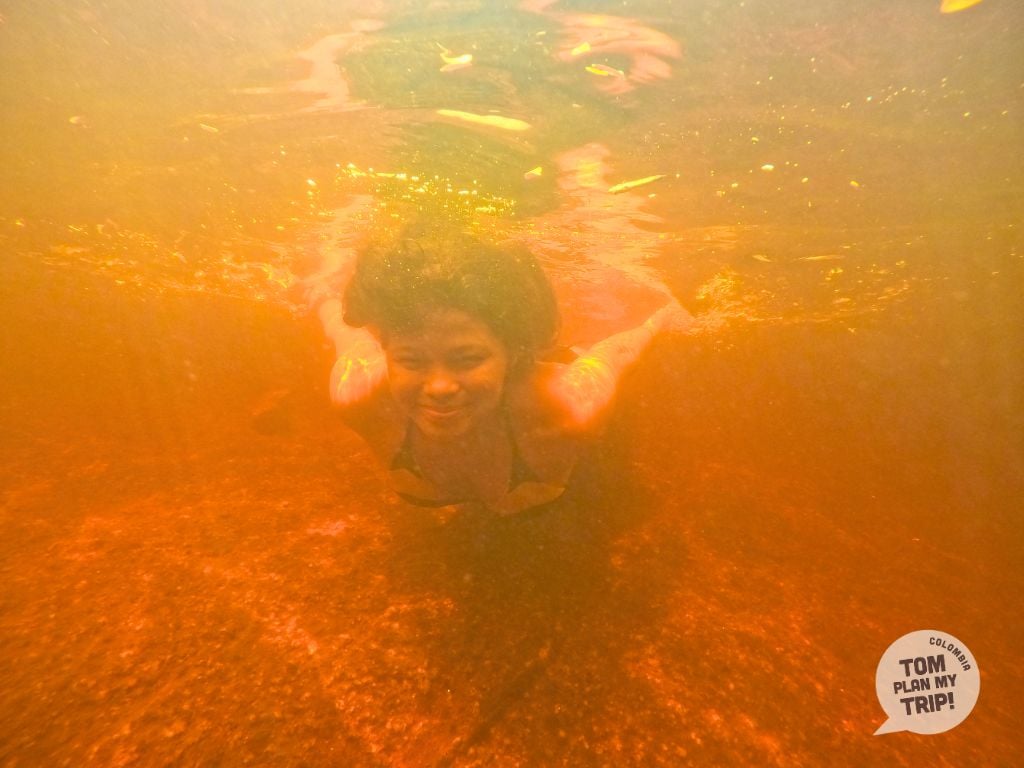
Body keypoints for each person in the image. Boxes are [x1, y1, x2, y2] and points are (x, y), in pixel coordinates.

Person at [314, 228, 691, 516]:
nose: (440, 386)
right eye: (411, 360)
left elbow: (617, 353)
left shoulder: (568, 405)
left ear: (511, 354)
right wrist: (321, 295)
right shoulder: (358, 393)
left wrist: (659, 321)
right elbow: (343, 331)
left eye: (467, 359)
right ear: (386, 350)